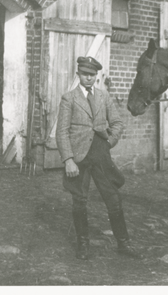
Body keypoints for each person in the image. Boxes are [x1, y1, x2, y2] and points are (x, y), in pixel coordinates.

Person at [56, 56, 142, 260]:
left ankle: (123, 243)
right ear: (78, 75)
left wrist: (108, 143)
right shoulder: (69, 98)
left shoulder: (104, 97)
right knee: (80, 200)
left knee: (113, 198)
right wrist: (68, 159)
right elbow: (61, 132)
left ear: (97, 76)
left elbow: (118, 123)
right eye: (85, 74)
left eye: (92, 75)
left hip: (101, 156)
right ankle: (83, 244)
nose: (89, 78)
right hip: (79, 157)